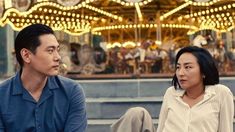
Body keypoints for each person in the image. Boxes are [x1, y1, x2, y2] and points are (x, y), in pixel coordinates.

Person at [111, 46, 234, 132]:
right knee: (136, 113)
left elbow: (226, 129)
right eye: (178, 67)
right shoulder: (171, 93)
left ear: (203, 71)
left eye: (188, 67)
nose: (180, 73)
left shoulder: (220, 93)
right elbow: (161, 128)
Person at [0, 24, 87, 131]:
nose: (58, 57)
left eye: (57, 50)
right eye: (50, 51)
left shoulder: (72, 92)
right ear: (26, 55)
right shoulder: (2, 96)